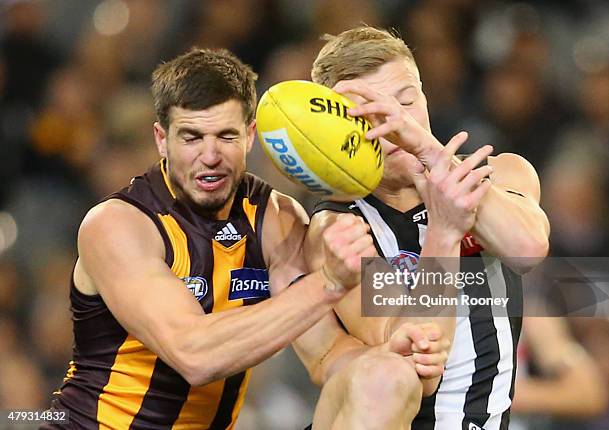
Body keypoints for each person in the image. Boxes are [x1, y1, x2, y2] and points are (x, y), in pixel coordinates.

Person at [40, 47, 387, 429]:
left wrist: (385, 366)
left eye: (226, 136)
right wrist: (329, 283)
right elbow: (194, 355)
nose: (210, 156)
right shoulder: (118, 224)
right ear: (161, 138)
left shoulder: (275, 217)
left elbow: (326, 353)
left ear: (251, 135)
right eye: (191, 137)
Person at [303, 26, 550, 429]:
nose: (397, 122)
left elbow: (528, 248)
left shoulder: (501, 172)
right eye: (371, 113)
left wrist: (430, 154)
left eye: (406, 101)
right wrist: (444, 232)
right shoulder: (339, 227)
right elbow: (417, 364)